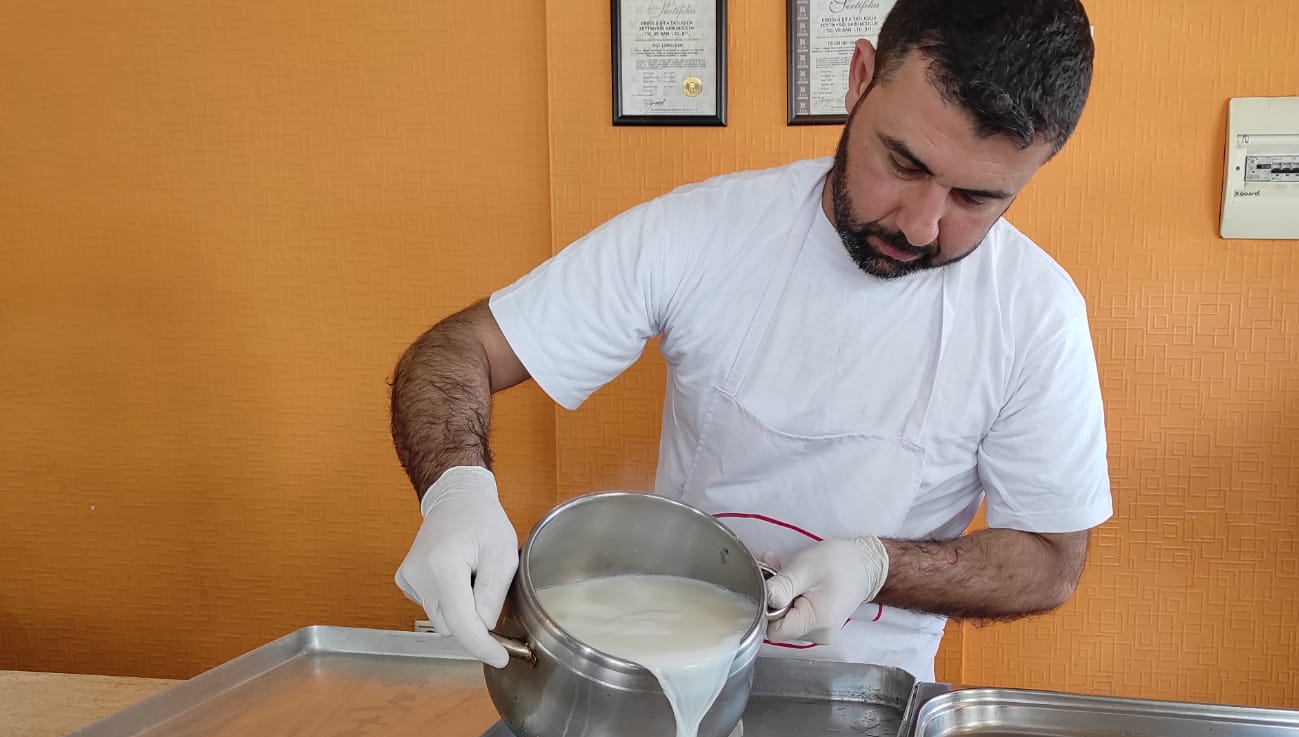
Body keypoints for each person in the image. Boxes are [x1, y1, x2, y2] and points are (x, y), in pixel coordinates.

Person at [389, 0, 1110, 682]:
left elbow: (1051, 560)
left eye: (976, 198)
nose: (920, 224)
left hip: (870, 703)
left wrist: (879, 566)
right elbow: (459, 351)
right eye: (904, 163)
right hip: (670, 670)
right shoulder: (705, 231)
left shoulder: (1035, 314)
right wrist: (456, 491)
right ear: (860, 78)